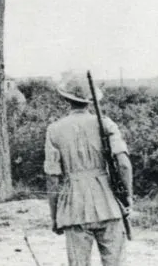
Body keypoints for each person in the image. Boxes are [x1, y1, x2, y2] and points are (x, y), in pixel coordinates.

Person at [44, 78, 133, 266]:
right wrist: (127, 197)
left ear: (66, 100)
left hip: (73, 207)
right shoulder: (106, 124)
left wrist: (54, 216)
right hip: (108, 203)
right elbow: (124, 164)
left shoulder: (54, 130)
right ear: (90, 101)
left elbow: (52, 179)